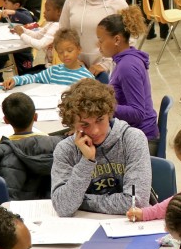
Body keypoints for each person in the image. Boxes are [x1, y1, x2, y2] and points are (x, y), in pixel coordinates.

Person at [50, 79, 152, 217]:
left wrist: (82, 202)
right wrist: (87, 161)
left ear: (109, 113)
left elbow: (135, 203)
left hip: (127, 226)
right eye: (85, 125)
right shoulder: (65, 150)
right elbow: (63, 207)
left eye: (100, 120)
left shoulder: (132, 139)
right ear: (72, 124)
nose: (96, 131)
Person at [0, 92, 64, 200]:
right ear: (35, 117)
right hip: (48, 199)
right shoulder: (50, 142)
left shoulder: (0, 146)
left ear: (5, 120)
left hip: (14, 201)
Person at [95, 10, 159, 149]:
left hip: (143, 139)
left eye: (101, 40)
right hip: (134, 133)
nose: (98, 45)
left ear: (117, 39)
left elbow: (137, 113)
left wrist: (102, 107)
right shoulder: (123, 60)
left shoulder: (127, 66)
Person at [5, 28, 95, 90]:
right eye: (60, 52)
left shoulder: (87, 78)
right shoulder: (53, 71)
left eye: (70, 50)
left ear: (79, 49)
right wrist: (15, 80)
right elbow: (34, 78)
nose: (65, 55)